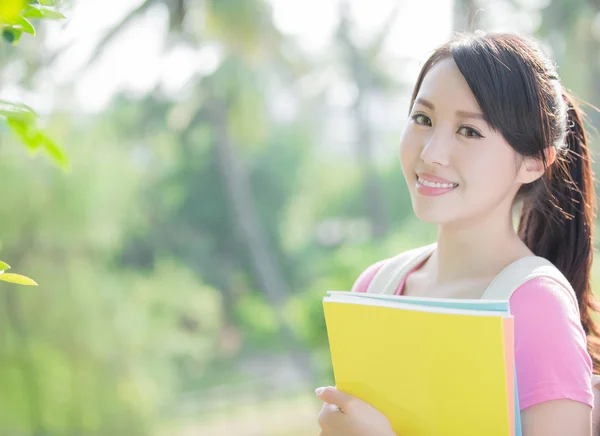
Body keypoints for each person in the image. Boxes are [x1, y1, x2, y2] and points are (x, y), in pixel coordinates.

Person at [315, 32, 600, 436]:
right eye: (423, 119)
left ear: (534, 162)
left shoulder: (536, 307)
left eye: (469, 131)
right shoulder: (375, 289)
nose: (431, 152)